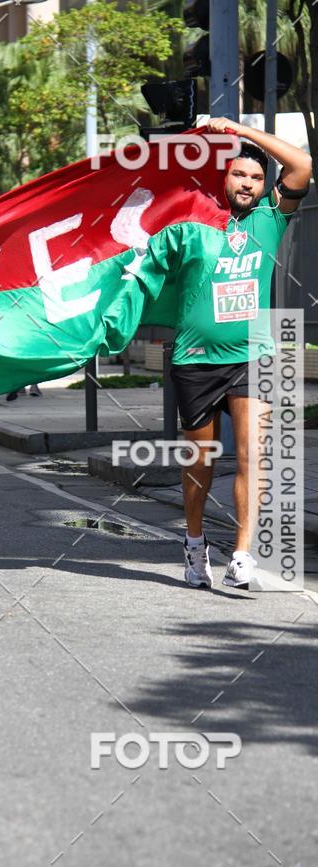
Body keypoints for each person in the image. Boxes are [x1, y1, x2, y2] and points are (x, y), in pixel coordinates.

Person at [172, 119, 312, 589]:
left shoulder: (272, 218)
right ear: (222, 178)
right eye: (238, 175)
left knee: (254, 453)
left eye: (255, 177)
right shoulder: (192, 222)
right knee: (201, 461)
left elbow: (302, 164)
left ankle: (242, 552)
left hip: (254, 354)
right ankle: (194, 545)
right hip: (194, 359)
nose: (248, 184)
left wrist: (238, 130)